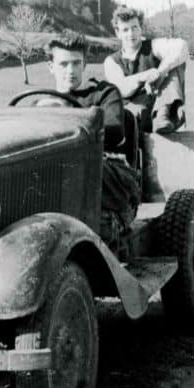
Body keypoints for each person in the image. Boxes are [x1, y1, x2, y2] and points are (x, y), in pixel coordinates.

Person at [42, 32, 140, 258]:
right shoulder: (40, 103)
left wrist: (65, 114)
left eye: (76, 63)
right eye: (63, 64)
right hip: (57, 173)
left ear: (84, 64)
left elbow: (114, 131)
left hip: (109, 171)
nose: (70, 70)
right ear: (51, 66)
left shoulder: (104, 93)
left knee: (75, 170)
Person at [104, 6, 189, 134]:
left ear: (141, 29)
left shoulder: (153, 46)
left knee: (175, 65)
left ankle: (163, 114)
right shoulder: (111, 61)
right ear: (118, 33)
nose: (131, 34)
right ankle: (156, 119)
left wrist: (160, 72)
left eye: (134, 28)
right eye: (125, 30)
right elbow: (122, 88)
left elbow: (182, 46)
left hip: (161, 111)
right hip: (135, 113)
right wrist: (145, 76)